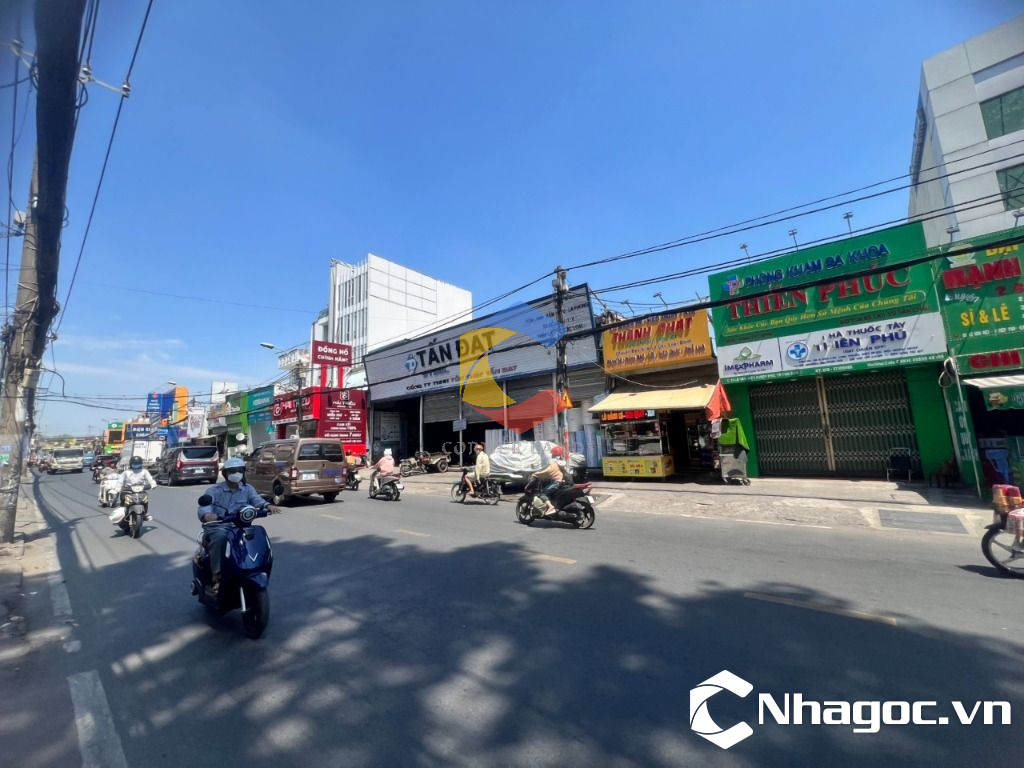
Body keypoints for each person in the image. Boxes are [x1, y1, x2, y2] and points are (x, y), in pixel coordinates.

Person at [198, 457, 276, 594]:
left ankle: (255, 569)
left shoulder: (247, 489)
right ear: (225, 473)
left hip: (240, 526)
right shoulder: (215, 490)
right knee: (221, 538)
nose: (237, 473)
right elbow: (204, 506)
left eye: (239, 470)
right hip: (218, 526)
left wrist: (267, 506)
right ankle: (217, 576)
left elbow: (257, 500)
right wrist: (207, 515)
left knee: (257, 536)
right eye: (233, 471)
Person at [531, 445, 566, 516]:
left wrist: (535, 474)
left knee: (543, 494)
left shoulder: (554, 463)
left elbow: (547, 472)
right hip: (561, 482)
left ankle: (550, 507)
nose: (551, 454)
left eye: (552, 453)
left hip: (556, 483)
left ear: (555, 454)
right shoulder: (561, 463)